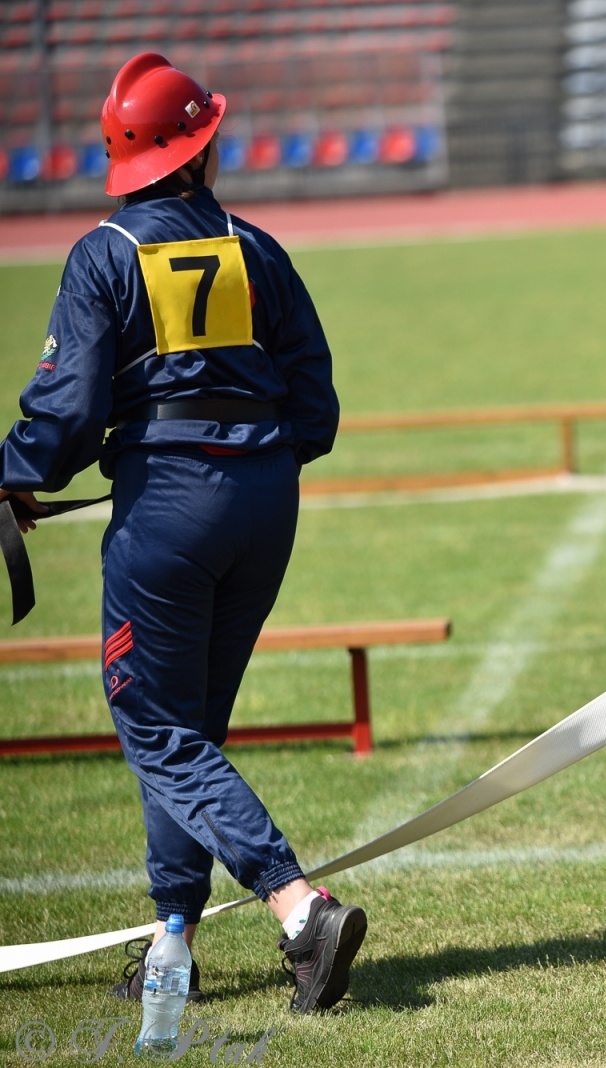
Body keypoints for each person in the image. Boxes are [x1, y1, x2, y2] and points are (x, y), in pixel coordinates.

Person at [0, 53, 364, 1011]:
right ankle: (173, 945)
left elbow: (68, 414)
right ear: (200, 149)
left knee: (155, 724)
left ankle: (297, 907)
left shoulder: (105, 252)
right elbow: (317, 405)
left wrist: (14, 475)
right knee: (191, 728)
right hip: (265, 500)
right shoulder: (258, 247)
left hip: (167, 506)